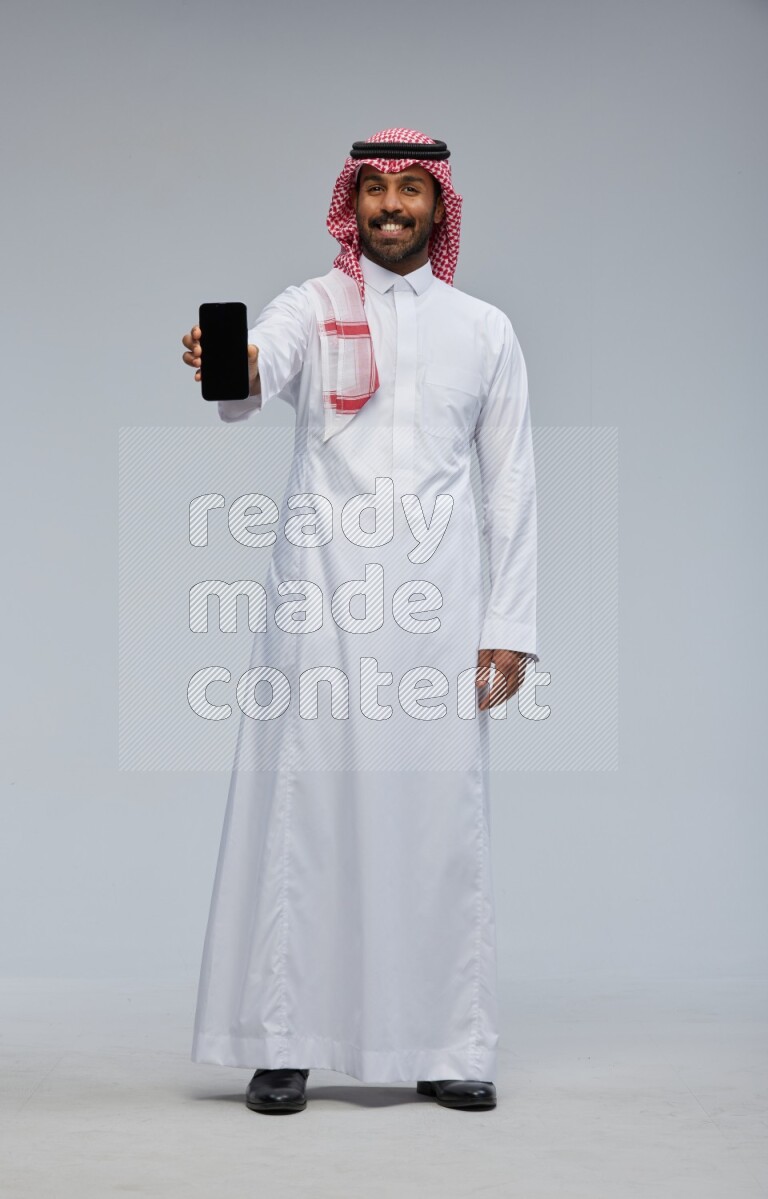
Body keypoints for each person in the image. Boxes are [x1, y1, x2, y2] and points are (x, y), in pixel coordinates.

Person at [181, 127, 538, 1114]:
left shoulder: (484, 329)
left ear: (437, 206)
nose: (389, 205)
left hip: (437, 609)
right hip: (323, 599)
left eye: (409, 189)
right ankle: (284, 1041)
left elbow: (509, 487)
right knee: (307, 814)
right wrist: (231, 361)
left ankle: (448, 1043)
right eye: (373, 189)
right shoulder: (313, 302)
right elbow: (259, 366)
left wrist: (506, 625)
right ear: (352, 203)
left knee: (438, 822)